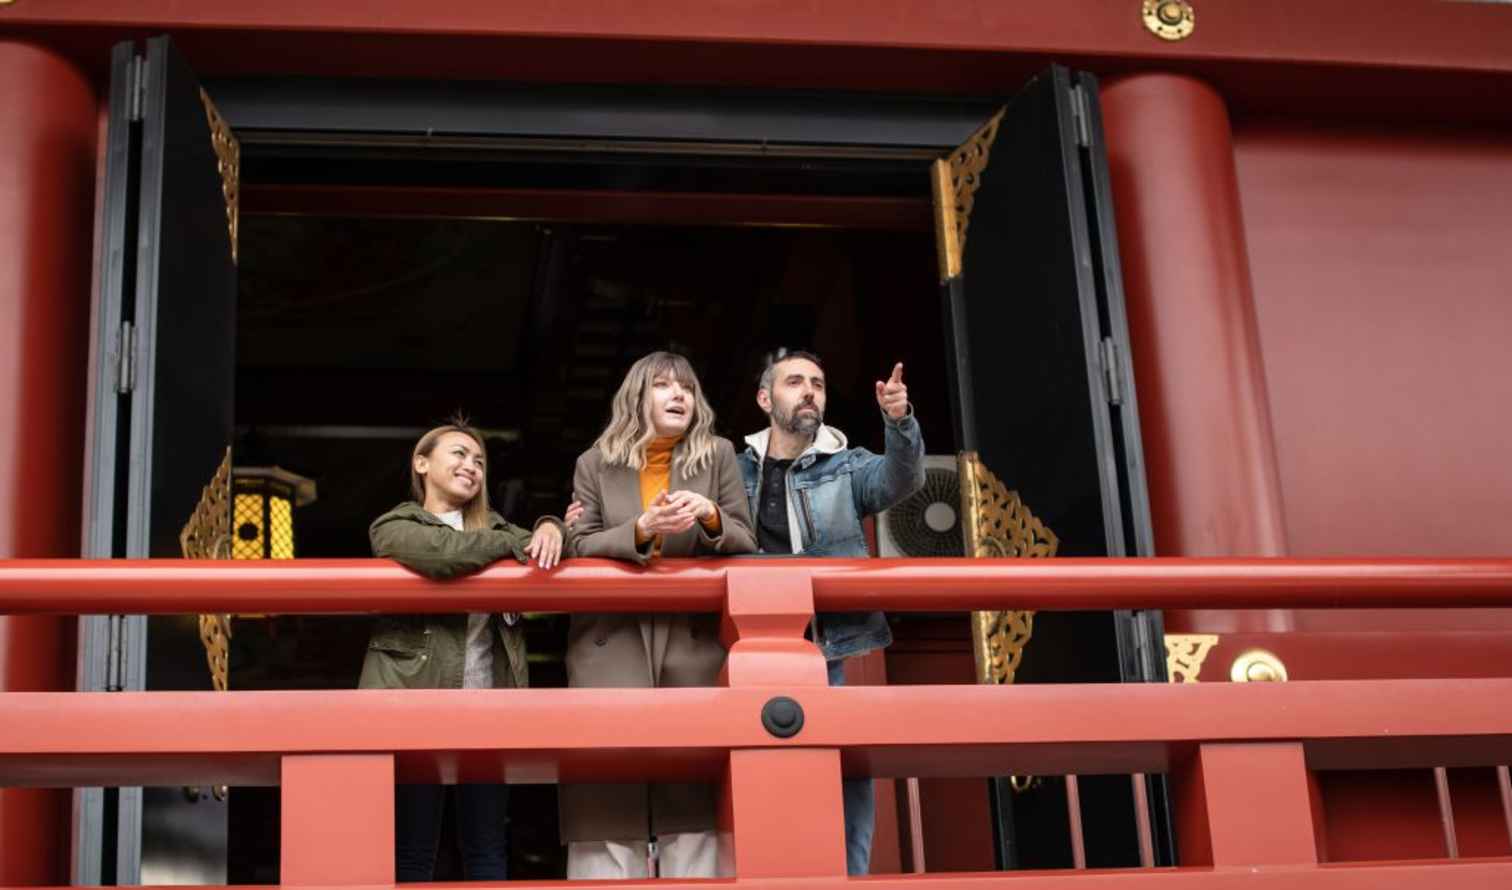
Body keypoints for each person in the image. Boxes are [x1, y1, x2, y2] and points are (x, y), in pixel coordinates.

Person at [561, 351, 756, 879]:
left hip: (688, 639)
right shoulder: (594, 461)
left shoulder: (716, 454)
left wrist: (710, 515)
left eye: (687, 389)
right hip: (612, 639)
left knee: (691, 791)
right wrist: (642, 529)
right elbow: (577, 544)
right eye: (664, 386)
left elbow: (745, 536)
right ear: (637, 397)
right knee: (605, 787)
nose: (679, 396)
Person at [736, 349, 925, 875]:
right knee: (760, 777)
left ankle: (851, 881)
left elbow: (899, 482)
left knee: (845, 775)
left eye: (817, 382)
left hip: (829, 646)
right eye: (794, 381)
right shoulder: (733, 469)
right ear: (764, 398)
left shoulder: (846, 464)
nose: (809, 391)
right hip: (749, 649)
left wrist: (899, 422)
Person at [359, 420, 567, 881]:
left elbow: (557, 544)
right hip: (417, 706)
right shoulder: (395, 525)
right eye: (457, 454)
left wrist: (551, 525)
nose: (470, 467)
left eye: (478, 461)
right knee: (413, 848)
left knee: (487, 846)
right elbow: (443, 554)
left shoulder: (495, 526)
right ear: (422, 463)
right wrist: (517, 542)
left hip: (488, 708)